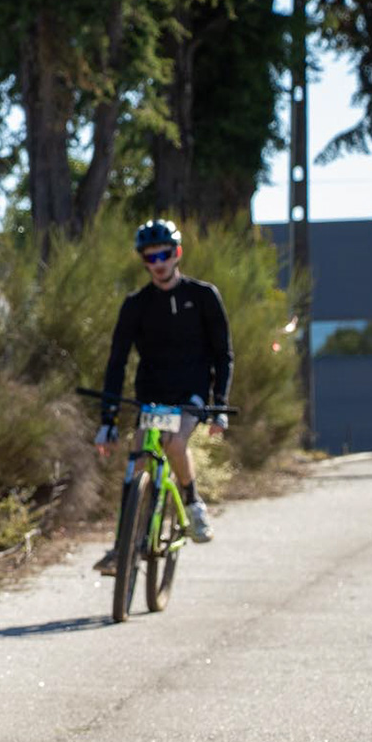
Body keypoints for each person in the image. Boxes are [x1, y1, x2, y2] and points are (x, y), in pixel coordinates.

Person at [92, 219, 233, 573]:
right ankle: (123, 547)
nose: (158, 263)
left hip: (191, 393)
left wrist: (219, 406)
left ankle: (193, 502)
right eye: (150, 257)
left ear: (177, 254)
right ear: (143, 260)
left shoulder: (203, 296)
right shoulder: (136, 304)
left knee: (173, 441)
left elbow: (223, 355)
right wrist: (108, 420)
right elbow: (117, 362)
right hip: (152, 396)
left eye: (164, 255)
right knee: (137, 459)